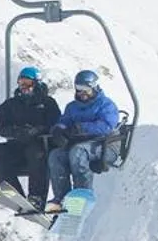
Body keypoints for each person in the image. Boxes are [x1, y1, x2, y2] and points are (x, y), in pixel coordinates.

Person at [0, 66, 60, 209]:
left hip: (41, 144)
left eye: (27, 83)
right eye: (21, 83)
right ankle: (14, 193)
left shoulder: (47, 103)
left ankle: (37, 197)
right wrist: (16, 131)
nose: (24, 87)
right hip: (18, 144)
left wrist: (37, 130)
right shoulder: (10, 105)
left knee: (35, 153)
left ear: (37, 83)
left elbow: (55, 123)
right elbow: (1, 126)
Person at [47, 68, 121, 207]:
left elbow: (106, 126)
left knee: (78, 152)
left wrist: (81, 128)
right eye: (78, 88)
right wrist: (59, 130)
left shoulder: (106, 105)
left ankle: (82, 195)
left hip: (105, 145)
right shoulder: (72, 107)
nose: (81, 93)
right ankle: (61, 197)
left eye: (85, 88)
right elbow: (64, 121)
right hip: (81, 145)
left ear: (94, 87)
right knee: (56, 155)